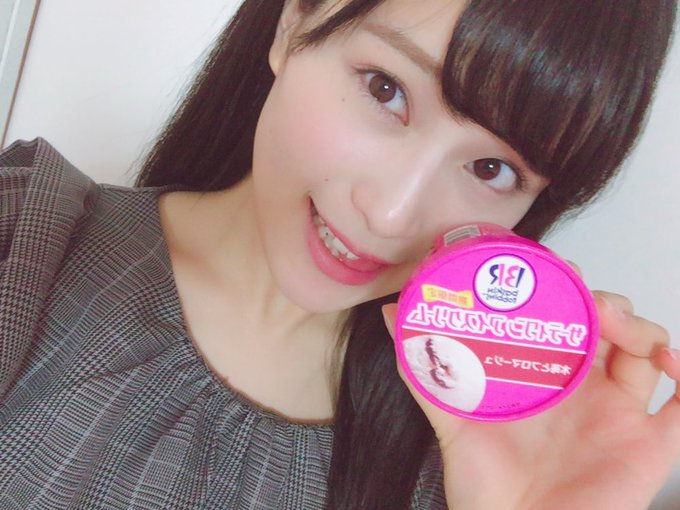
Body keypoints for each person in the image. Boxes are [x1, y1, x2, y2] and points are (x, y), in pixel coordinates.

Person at [0, 0, 678, 508]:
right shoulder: (26, 240)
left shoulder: (465, 464)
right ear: (295, 20)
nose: (391, 214)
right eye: (386, 89)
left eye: (492, 170)